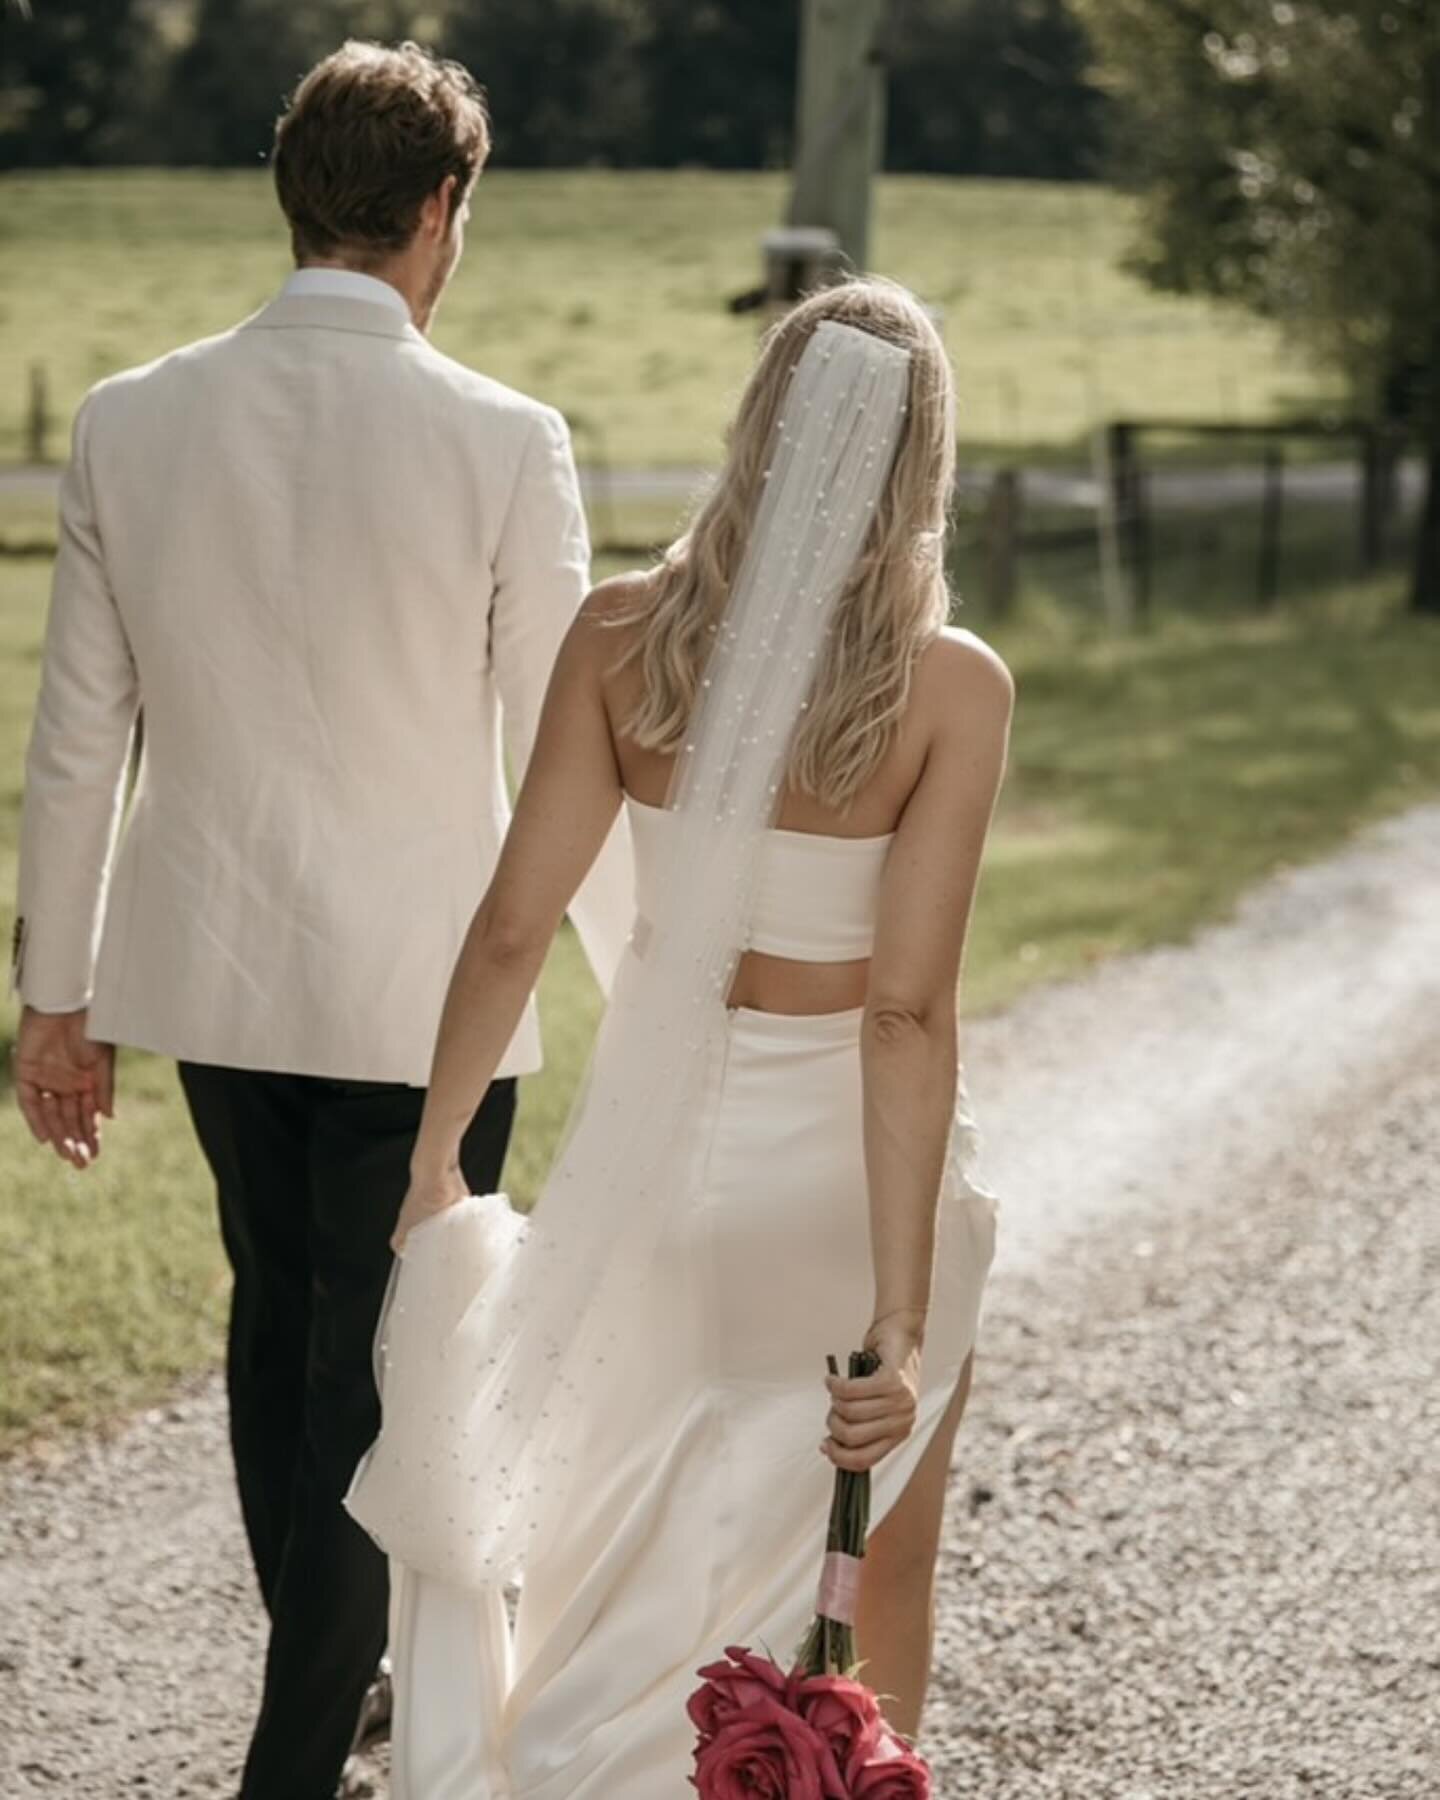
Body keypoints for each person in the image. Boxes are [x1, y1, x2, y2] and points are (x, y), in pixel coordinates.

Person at [10, 40, 631, 1800]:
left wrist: (56, 999)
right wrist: (647, 977)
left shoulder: (131, 414)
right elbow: (560, 751)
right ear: (444, 208)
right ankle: (297, 1758)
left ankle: (326, 1693)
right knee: (377, 1353)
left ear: (296, 193)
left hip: (212, 970)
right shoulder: (511, 438)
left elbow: (74, 743)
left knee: (284, 1312)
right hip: (432, 994)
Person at [347, 277, 1013, 1798]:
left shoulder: (623, 639)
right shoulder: (951, 687)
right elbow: (905, 1012)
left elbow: (515, 923)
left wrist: (438, 1156)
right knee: (875, 1553)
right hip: (850, 1186)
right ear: (924, 458)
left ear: (760, 424)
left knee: (612, 1520)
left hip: (660, 1162)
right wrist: (900, 1320)